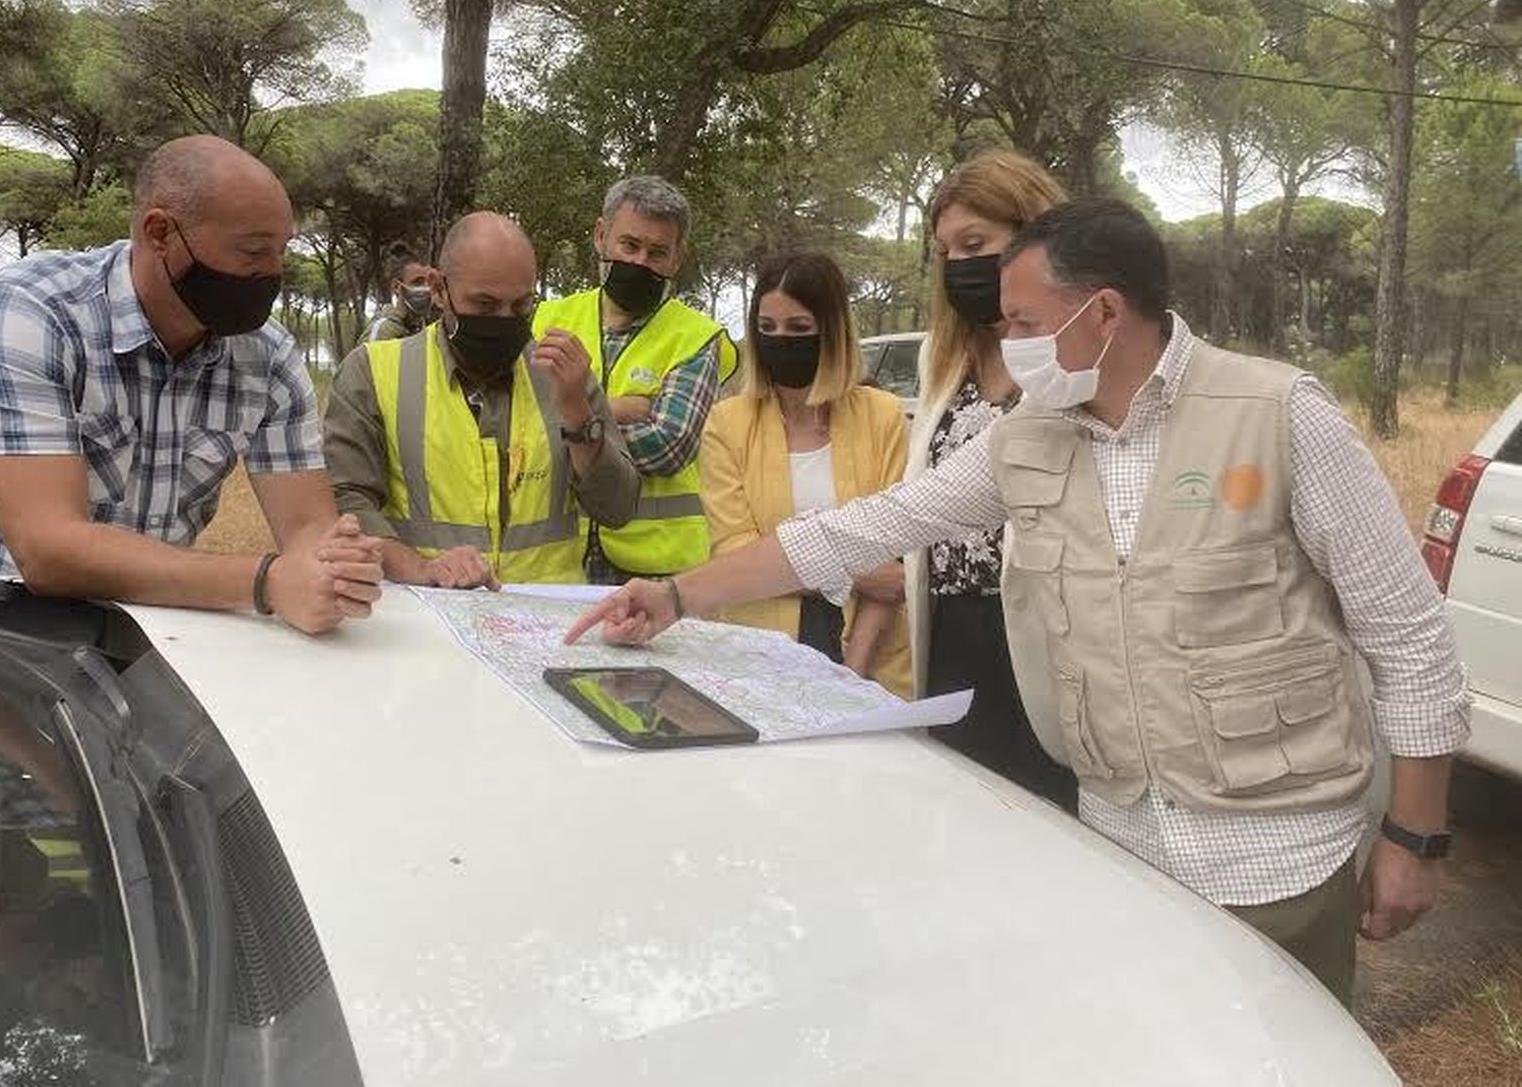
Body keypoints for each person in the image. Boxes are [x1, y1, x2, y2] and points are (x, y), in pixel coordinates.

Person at [567, 198, 1471, 1006]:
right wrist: (679, 594)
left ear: (1105, 312)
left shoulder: (1277, 414)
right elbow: (861, 529)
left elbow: (1407, 633)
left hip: (1275, 854)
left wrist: (1414, 832)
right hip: (1119, 839)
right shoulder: (1029, 437)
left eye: (1024, 323)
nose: (1008, 345)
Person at [0, 135, 382, 635]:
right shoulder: (31, 311)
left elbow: (305, 527)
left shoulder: (267, 356)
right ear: (160, 231)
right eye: (253, 251)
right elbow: (47, 550)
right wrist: (265, 581)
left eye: (281, 252)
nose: (273, 273)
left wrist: (331, 562)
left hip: (141, 629)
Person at [324, 212, 640, 588]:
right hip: (426, 617)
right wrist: (420, 569)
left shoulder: (565, 377)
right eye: (485, 305)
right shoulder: (372, 373)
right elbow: (345, 501)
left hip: (544, 625)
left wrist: (578, 416)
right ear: (440, 291)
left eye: (521, 306)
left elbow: (618, 508)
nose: (505, 320)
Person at [909, 151, 1075, 806]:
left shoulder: (1082, 356)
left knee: (1057, 828)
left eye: (974, 244)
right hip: (953, 637)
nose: (957, 266)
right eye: (944, 251)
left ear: (1035, 236)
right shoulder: (942, 357)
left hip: (1052, 638)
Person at [700, 252, 911, 697]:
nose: (781, 341)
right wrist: (851, 568)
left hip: (869, 655)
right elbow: (736, 555)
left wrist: (852, 678)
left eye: (799, 329)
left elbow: (894, 573)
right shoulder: (727, 423)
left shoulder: (885, 417)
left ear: (831, 332)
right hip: (760, 655)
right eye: (768, 328)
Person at [533, 175, 738, 584]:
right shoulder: (548, 318)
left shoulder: (696, 337)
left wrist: (571, 415)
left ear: (677, 258)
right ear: (601, 236)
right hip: (560, 561)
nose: (641, 262)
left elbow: (668, 445)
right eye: (629, 245)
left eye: (657, 252)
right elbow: (512, 426)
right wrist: (620, 408)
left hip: (656, 572)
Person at [360, 244, 440, 344]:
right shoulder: (381, 333)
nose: (426, 288)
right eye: (417, 282)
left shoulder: (426, 330)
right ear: (397, 287)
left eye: (428, 282)